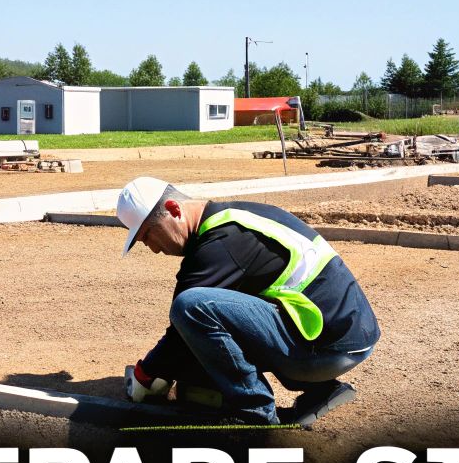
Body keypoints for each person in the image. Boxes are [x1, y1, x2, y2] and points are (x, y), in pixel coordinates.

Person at [115, 176, 380, 427]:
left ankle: (254, 411)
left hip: (326, 349)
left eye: (149, 235)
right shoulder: (236, 219)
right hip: (343, 337)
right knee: (221, 315)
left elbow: (180, 332)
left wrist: (146, 374)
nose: (154, 248)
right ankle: (321, 390)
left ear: (173, 209)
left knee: (191, 307)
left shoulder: (221, 244)